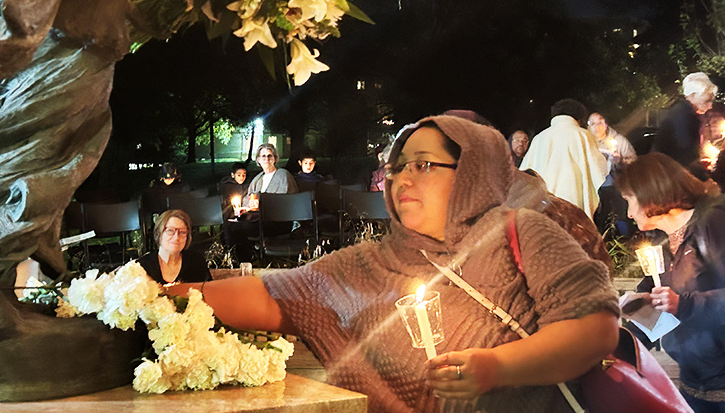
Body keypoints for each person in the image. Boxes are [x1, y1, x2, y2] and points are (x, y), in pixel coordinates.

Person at [169, 115, 619, 412]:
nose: (401, 177)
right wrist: (164, 296)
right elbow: (280, 294)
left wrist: (495, 367)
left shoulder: (520, 231)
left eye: (423, 165)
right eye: (397, 166)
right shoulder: (370, 263)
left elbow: (593, 327)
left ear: (471, 171)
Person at [615, 152, 725, 411]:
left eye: (629, 200)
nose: (628, 213)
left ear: (649, 194)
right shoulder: (662, 241)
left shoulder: (714, 223)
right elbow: (659, 305)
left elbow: (680, 304)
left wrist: (684, 304)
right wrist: (620, 345)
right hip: (694, 378)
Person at [520, 99, 608, 218]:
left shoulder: (539, 138)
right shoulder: (582, 135)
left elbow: (524, 175)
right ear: (578, 118)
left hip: (543, 204)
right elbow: (600, 170)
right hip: (573, 202)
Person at [652, 72, 717, 171]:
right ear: (693, 95)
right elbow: (686, 153)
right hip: (668, 174)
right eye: (708, 100)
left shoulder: (683, 112)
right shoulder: (682, 115)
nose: (710, 106)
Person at [587, 112, 637, 236]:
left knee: (621, 215)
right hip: (594, 187)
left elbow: (634, 163)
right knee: (599, 218)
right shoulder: (586, 143)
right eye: (592, 123)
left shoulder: (618, 141)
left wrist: (619, 161)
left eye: (600, 122)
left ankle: (626, 242)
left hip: (616, 185)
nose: (596, 126)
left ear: (606, 124)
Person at [138, 209, 212, 285]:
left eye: (182, 232)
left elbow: (209, 292)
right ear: (159, 233)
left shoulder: (196, 262)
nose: (176, 237)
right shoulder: (142, 267)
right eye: (170, 230)